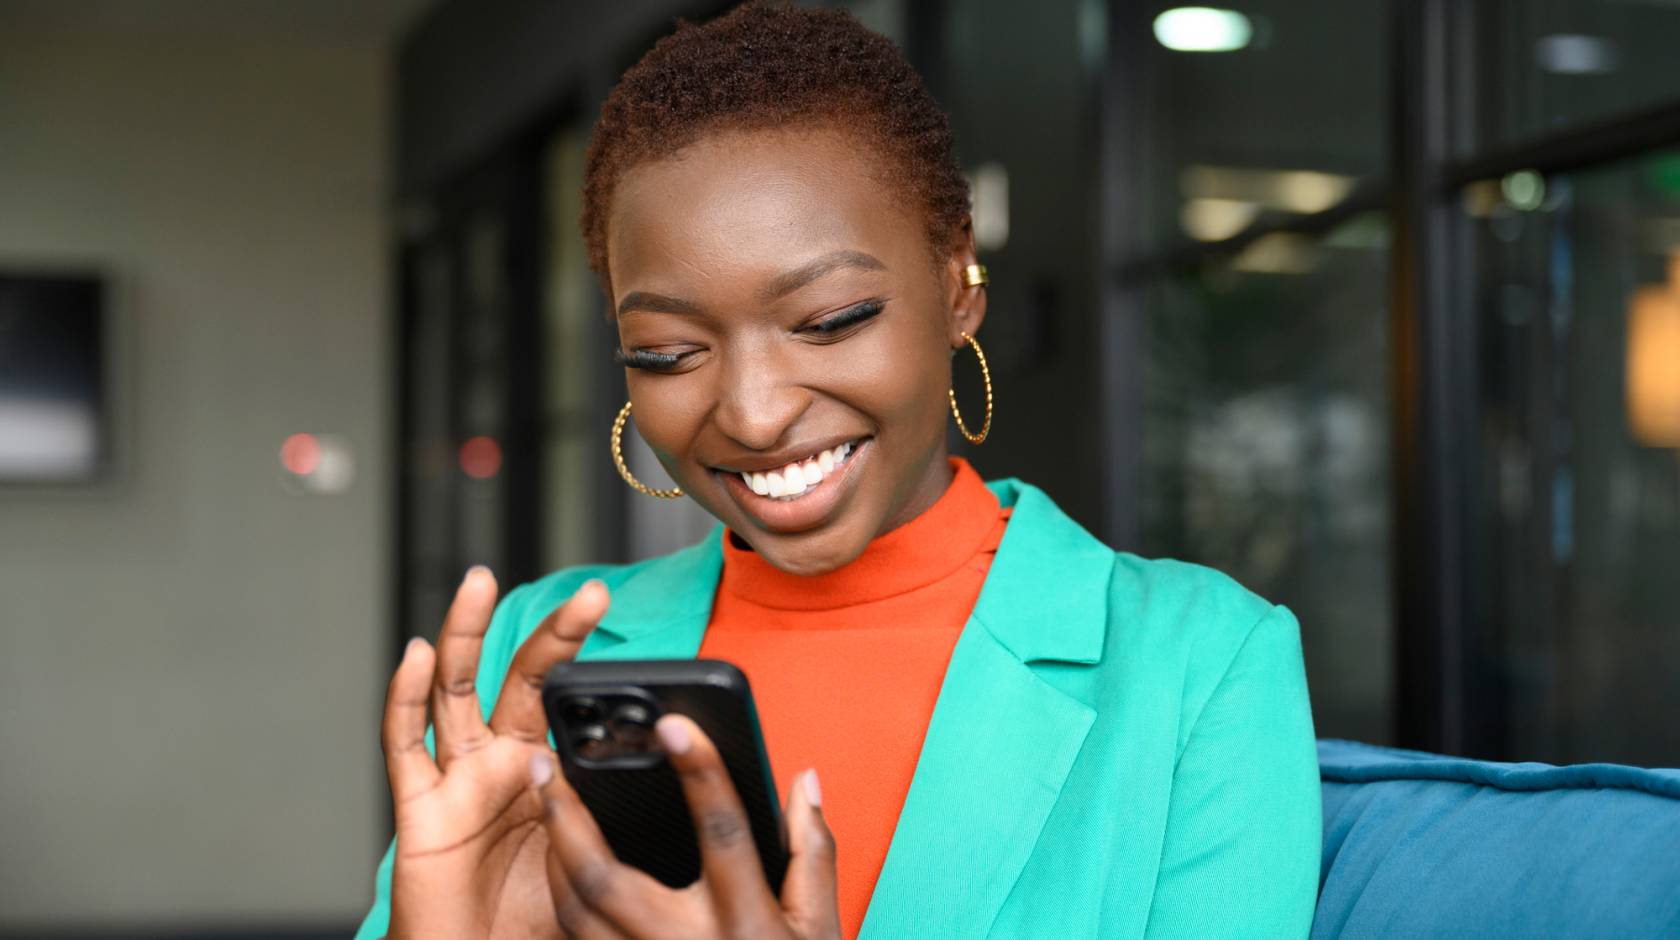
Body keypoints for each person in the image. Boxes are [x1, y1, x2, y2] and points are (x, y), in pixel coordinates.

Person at [358, 3, 1321, 938]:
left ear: (957, 286)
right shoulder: (532, 659)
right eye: (666, 351)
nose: (755, 411)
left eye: (828, 321)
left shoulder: (1200, 665)